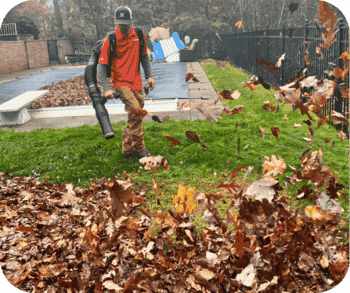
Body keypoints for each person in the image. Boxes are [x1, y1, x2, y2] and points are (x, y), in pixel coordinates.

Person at [98, 6, 156, 160]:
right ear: (116, 22)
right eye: (120, 24)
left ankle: (127, 150)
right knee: (136, 110)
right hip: (121, 82)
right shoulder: (110, 40)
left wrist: (149, 76)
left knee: (135, 113)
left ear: (131, 20)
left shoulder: (138, 34)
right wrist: (106, 89)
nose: (123, 27)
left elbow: (144, 56)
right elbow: (102, 67)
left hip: (136, 81)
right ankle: (139, 149)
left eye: (125, 23)